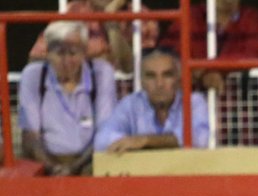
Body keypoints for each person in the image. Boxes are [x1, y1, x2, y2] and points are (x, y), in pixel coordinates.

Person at [18, 21, 117, 176]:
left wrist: (75, 168)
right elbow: (30, 136)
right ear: (47, 52)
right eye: (59, 53)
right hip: (46, 163)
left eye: (73, 53)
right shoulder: (33, 75)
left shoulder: (102, 72)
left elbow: (105, 132)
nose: (66, 61)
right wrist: (52, 168)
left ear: (84, 52)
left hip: (90, 162)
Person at [94, 48, 210, 154]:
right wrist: (131, 142)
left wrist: (145, 141)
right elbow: (101, 140)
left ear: (178, 79)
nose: (159, 84)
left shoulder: (194, 102)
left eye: (167, 75)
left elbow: (200, 138)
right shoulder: (131, 104)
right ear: (142, 82)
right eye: (151, 76)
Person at [160, 0, 258, 93]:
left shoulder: (250, 17)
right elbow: (170, 54)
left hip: (238, 105)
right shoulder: (190, 16)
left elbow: (254, 52)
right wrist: (200, 74)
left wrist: (210, 69)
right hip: (192, 101)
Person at [28, 0, 160, 74]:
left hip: (123, 99)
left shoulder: (143, 17)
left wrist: (110, 19)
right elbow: (34, 60)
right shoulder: (73, 10)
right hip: (78, 96)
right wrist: (89, 62)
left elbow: (134, 69)